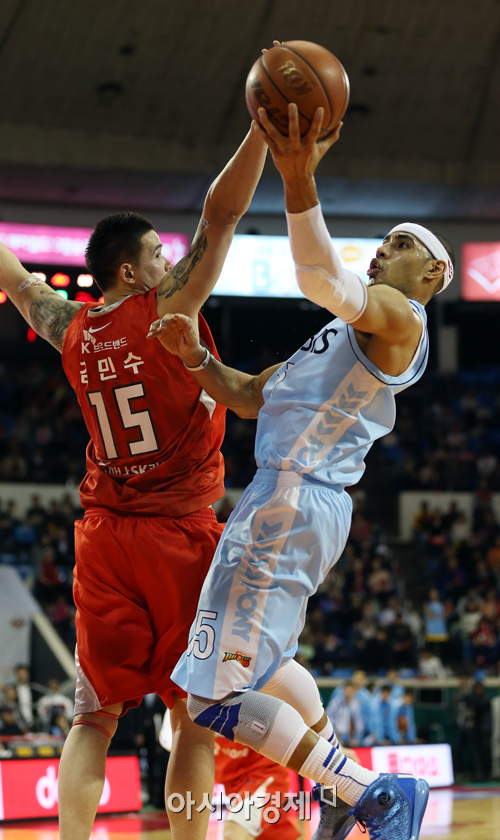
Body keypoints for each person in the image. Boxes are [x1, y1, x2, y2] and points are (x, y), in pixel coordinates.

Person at [151, 101, 452, 840]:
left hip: (292, 502)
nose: (382, 251)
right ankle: (352, 794)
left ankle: (371, 791)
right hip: (285, 499)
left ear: (435, 271)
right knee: (272, 667)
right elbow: (252, 396)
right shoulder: (340, 334)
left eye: (398, 242)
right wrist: (195, 360)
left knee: (211, 699)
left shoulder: (400, 318)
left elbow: (321, 274)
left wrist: (297, 177)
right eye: (380, 242)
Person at [0, 124, 267, 840]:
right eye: (156, 253)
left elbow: (18, 280)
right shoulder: (166, 312)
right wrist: (261, 136)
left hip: (106, 542)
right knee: (193, 719)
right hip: (177, 538)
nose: (168, 260)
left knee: (94, 717)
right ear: (130, 271)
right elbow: (221, 217)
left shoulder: (74, 329)